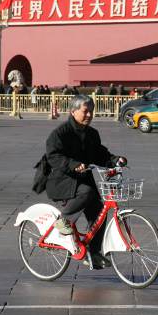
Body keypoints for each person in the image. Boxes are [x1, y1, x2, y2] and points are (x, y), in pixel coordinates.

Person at [45, 95, 127, 269]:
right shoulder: (61, 133)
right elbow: (53, 156)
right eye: (85, 111)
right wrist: (73, 165)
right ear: (73, 111)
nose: (89, 114)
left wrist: (115, 160)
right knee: (87, 192)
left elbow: (100, 153)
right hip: (63, 180)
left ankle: (94, 252)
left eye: (91, 110)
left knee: (99, 213)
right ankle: (63, 220)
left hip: (83, 179)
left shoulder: (92, 134)